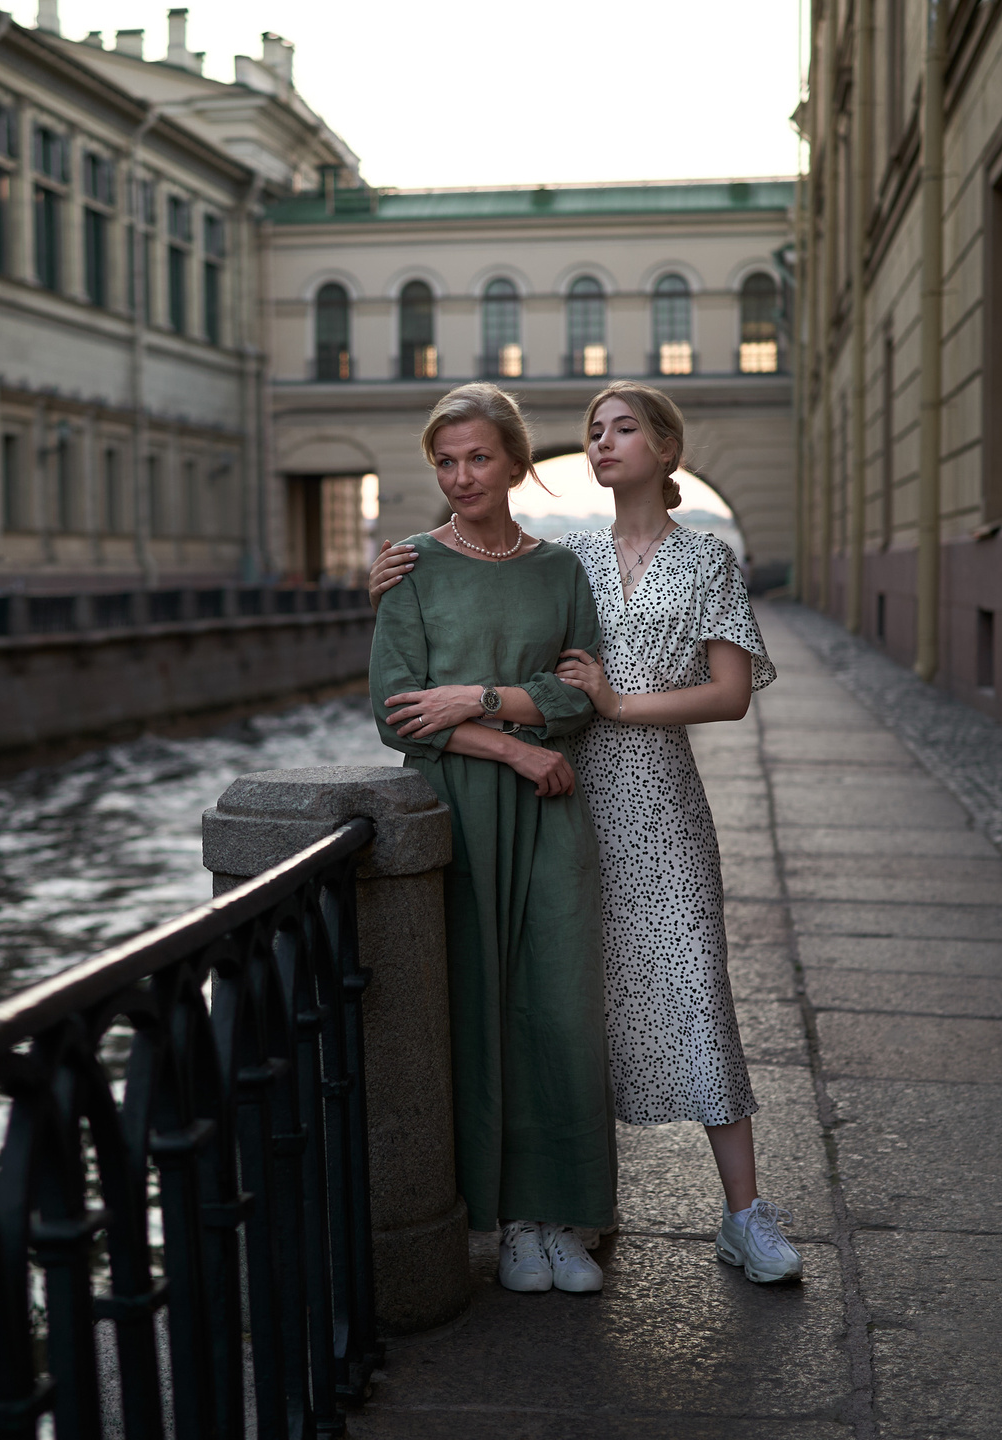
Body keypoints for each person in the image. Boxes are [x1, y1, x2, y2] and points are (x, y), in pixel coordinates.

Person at [368, 380, 801, 1285]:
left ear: (667, 447)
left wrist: (613, 701)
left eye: (623, 429)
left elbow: (726, 695)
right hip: (551, 804)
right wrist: (389, 578)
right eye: (593, 431)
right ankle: (572, 1202)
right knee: (559, 1013)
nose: (602, 443)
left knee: (696, 999)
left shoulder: (705, 559)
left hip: (655, 805)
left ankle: (745, 1215)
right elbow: (471, 611)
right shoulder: (570, 558)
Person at [368, 383, 616, 1295]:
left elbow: (579, 693)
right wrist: (510, 742)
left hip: (548, 813)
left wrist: (479, 700)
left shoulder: (560, 569)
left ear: (516, 462)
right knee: (475, 1005)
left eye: (477, 458)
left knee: (557, 1006)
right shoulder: (412, 568)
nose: (461, 476)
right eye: (445, 460)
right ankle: (508, 1223)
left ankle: (560, 1215)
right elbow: (397, 713)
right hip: (458, 812)